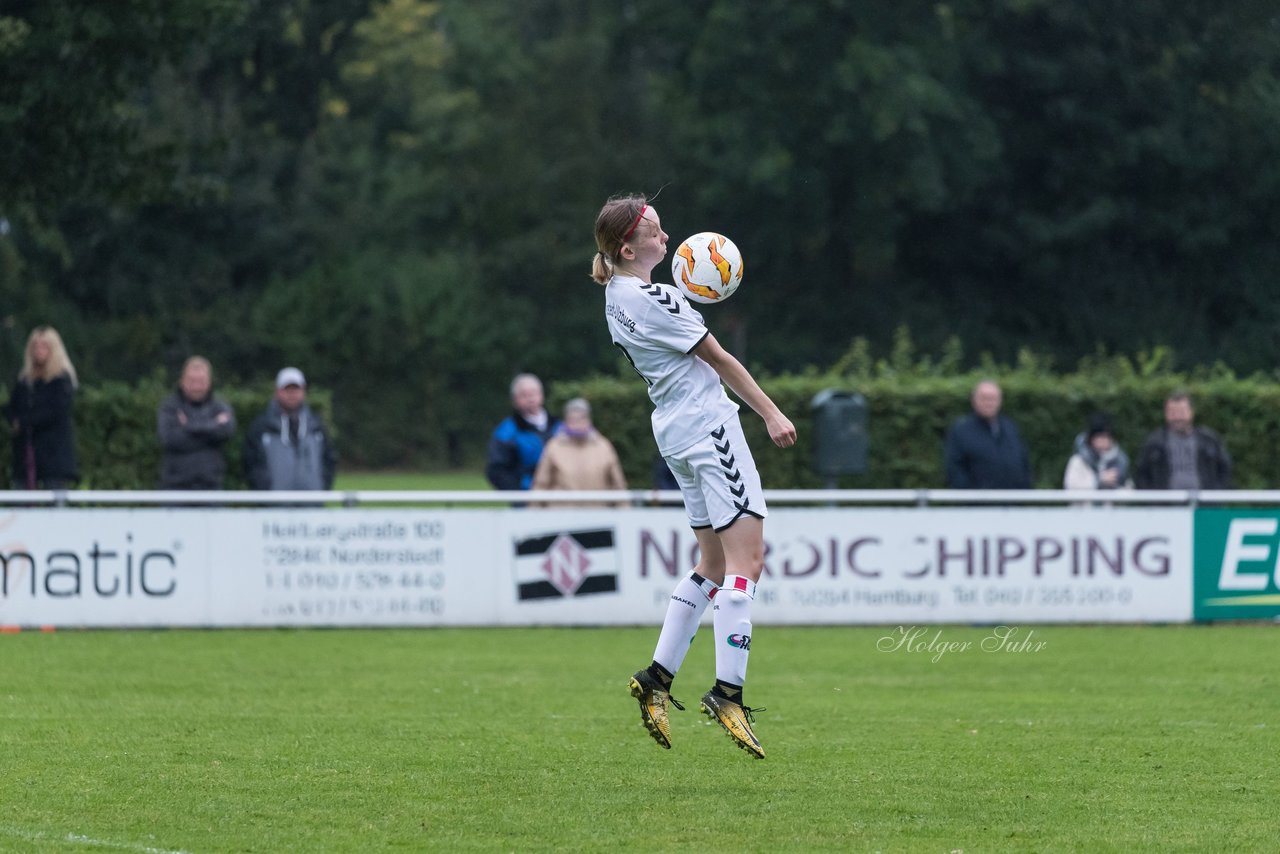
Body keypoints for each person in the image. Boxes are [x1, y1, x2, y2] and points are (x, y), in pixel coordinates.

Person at [594, 193, 796, 759]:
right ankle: (728, 692)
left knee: (710, 564)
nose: (665, 236)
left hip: (675, 432)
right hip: (709, 430)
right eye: (654, 231)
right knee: (747, 562)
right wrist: (772, 413)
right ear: (629, 247)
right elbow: (722, 359)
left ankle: (656, 678)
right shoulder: (657, 298)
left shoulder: (616, 295)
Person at [3, 326, 79, 489]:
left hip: (53, 455)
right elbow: (13, 406)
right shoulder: (25, 381)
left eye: (44, 346)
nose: (38, 351)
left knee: (55, 503)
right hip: (26, 453)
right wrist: (14, 419)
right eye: (35, 346)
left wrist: (23, 422)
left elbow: (54, 411)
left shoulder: (61, 380)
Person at [242, 367, 336, 491]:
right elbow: (251, 462)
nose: (292, 394)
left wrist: (322, 486)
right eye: (287, 389)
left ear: (303, 391)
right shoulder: (261, 426)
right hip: (274, 505)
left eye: (296, 389)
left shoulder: (316, 426)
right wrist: (263, 488)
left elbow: (329, 460)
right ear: (277, 391)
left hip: (312, 504)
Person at [157, 356, 237, 490]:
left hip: (211, 487)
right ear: (182, 381)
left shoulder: (220, 406)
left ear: (209, 382)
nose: (196, 387)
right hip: (175, 488)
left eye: (201, 381)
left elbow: (226, 431)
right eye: (192, 381)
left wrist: (188, 426)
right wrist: (212, 426)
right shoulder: (169, 407)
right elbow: (170, 439)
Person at [530, 398, 628, 506]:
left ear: (589, 419)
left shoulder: (603, 446)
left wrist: (625, 515)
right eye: (573, 419)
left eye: (582, 418)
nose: (578, 423)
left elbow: (618, 486)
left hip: (598, 516)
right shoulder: (553, 447)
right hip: (561, 517)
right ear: (566, 421)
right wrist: (533, 518)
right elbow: (540, 485)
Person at [944, 380, 1032, 489]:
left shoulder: (1010, 427)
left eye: (993, 398)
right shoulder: (961, 430)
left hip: (1012, 501)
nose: (989, 402)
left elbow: (1023, 461)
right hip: (978, 503)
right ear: (974, 400)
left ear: (1000, 400)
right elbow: (954, 468)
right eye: (984, 398)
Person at [1134, 391, 1232, 490]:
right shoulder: (1154, 442)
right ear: (1166, 414)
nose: (1177, 417)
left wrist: (1215, 494)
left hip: (1204, 503)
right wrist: (1154, 499)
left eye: (1181, 412)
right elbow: (1141, 474)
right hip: (1165, 504)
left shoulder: (1209, 440)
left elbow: (1225, 470)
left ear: (1191, 412)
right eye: (1172, 412)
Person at [484, 373, 559, 491]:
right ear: (515, 400)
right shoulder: (506, 432)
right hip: (527, 497)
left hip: (560, 498)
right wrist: (518, 494)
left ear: (541, 396)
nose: (530, 399)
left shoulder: (560, 428)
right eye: (524, 395)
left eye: (534, 393)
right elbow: (497, 470)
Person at [1063, 413, 1132, 490]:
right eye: (1098, 437)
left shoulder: (1120, 461)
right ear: (1090, 439)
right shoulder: (1078, 461)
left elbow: (1128, 490)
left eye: (1106, 437)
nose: (1102, 441)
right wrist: (1099, 481)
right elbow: (1071, 487)